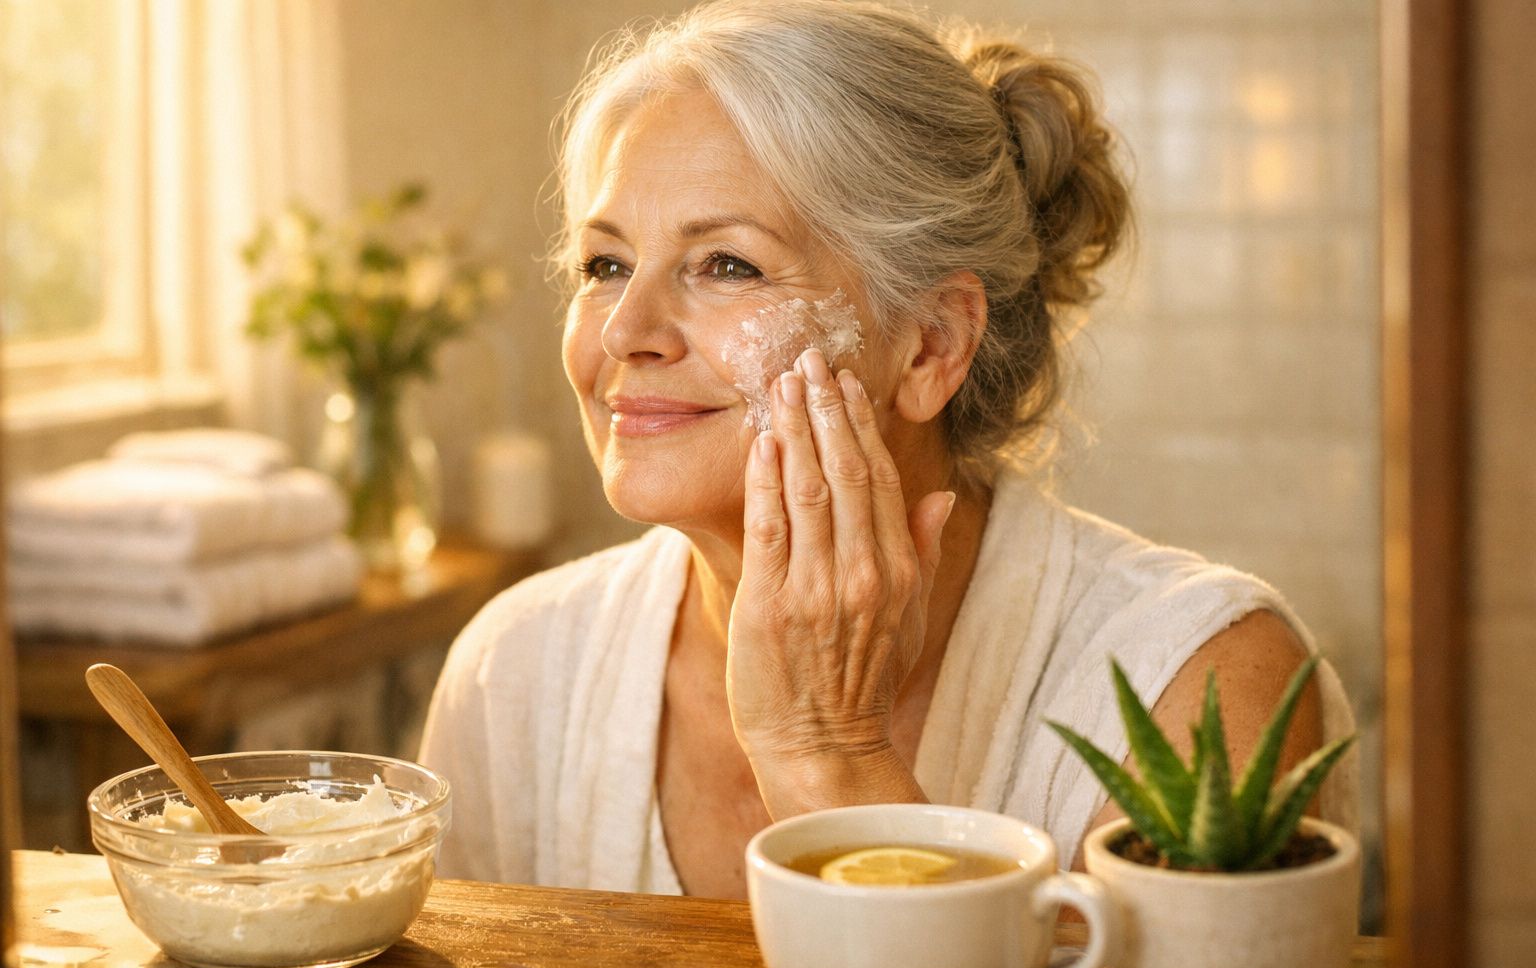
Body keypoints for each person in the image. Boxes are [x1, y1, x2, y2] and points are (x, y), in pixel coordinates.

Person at [419, 0, 1357, 899]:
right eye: (605, 265)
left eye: (728, 264)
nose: (627, 330)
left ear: (930, 346)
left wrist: (825, 751)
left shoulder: (1199, 682)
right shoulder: (518, 674)